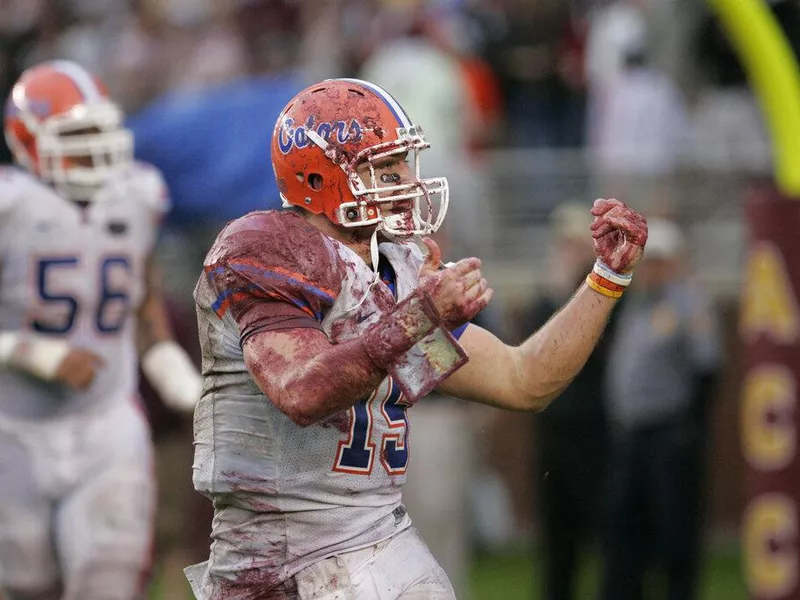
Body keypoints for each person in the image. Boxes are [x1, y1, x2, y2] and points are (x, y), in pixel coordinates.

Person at [185, 77, 649, 599]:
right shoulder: (268, 251)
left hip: (378, 531)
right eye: (386, 169)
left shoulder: (398, 268)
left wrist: (606, 279)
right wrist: (419, 317)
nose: (406, 180)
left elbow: (526, 380)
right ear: (322, 177)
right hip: (280, 555)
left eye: (405, 164)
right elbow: (302, 392)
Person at [0, 60, 202, 600]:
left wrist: (181, 381)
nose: (96, 148)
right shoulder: (10, 207)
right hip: (14, 429)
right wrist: (37, 355)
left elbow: (144, 305)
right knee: (26, 587)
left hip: (107, 423)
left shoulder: (135, 197)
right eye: (78, 135)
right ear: (27, 142)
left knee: (108, 582)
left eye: (99, 132)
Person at [599, 218, 722, 600]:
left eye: (661, 262)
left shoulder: (690, 305)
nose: (652, 270)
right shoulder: (636, 305)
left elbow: (708, 367)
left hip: (669, 437)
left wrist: (690, 429)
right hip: (631, 436)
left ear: (676, 263)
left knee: (675, 534)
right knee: (627, 533)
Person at [524, 202, 617, 600]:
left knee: (608, 535)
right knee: (558, 542)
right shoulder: (545, 298)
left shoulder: (610, 300)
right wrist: (559, 295)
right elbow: (528, 354)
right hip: (555, 433)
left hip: (597, 431)